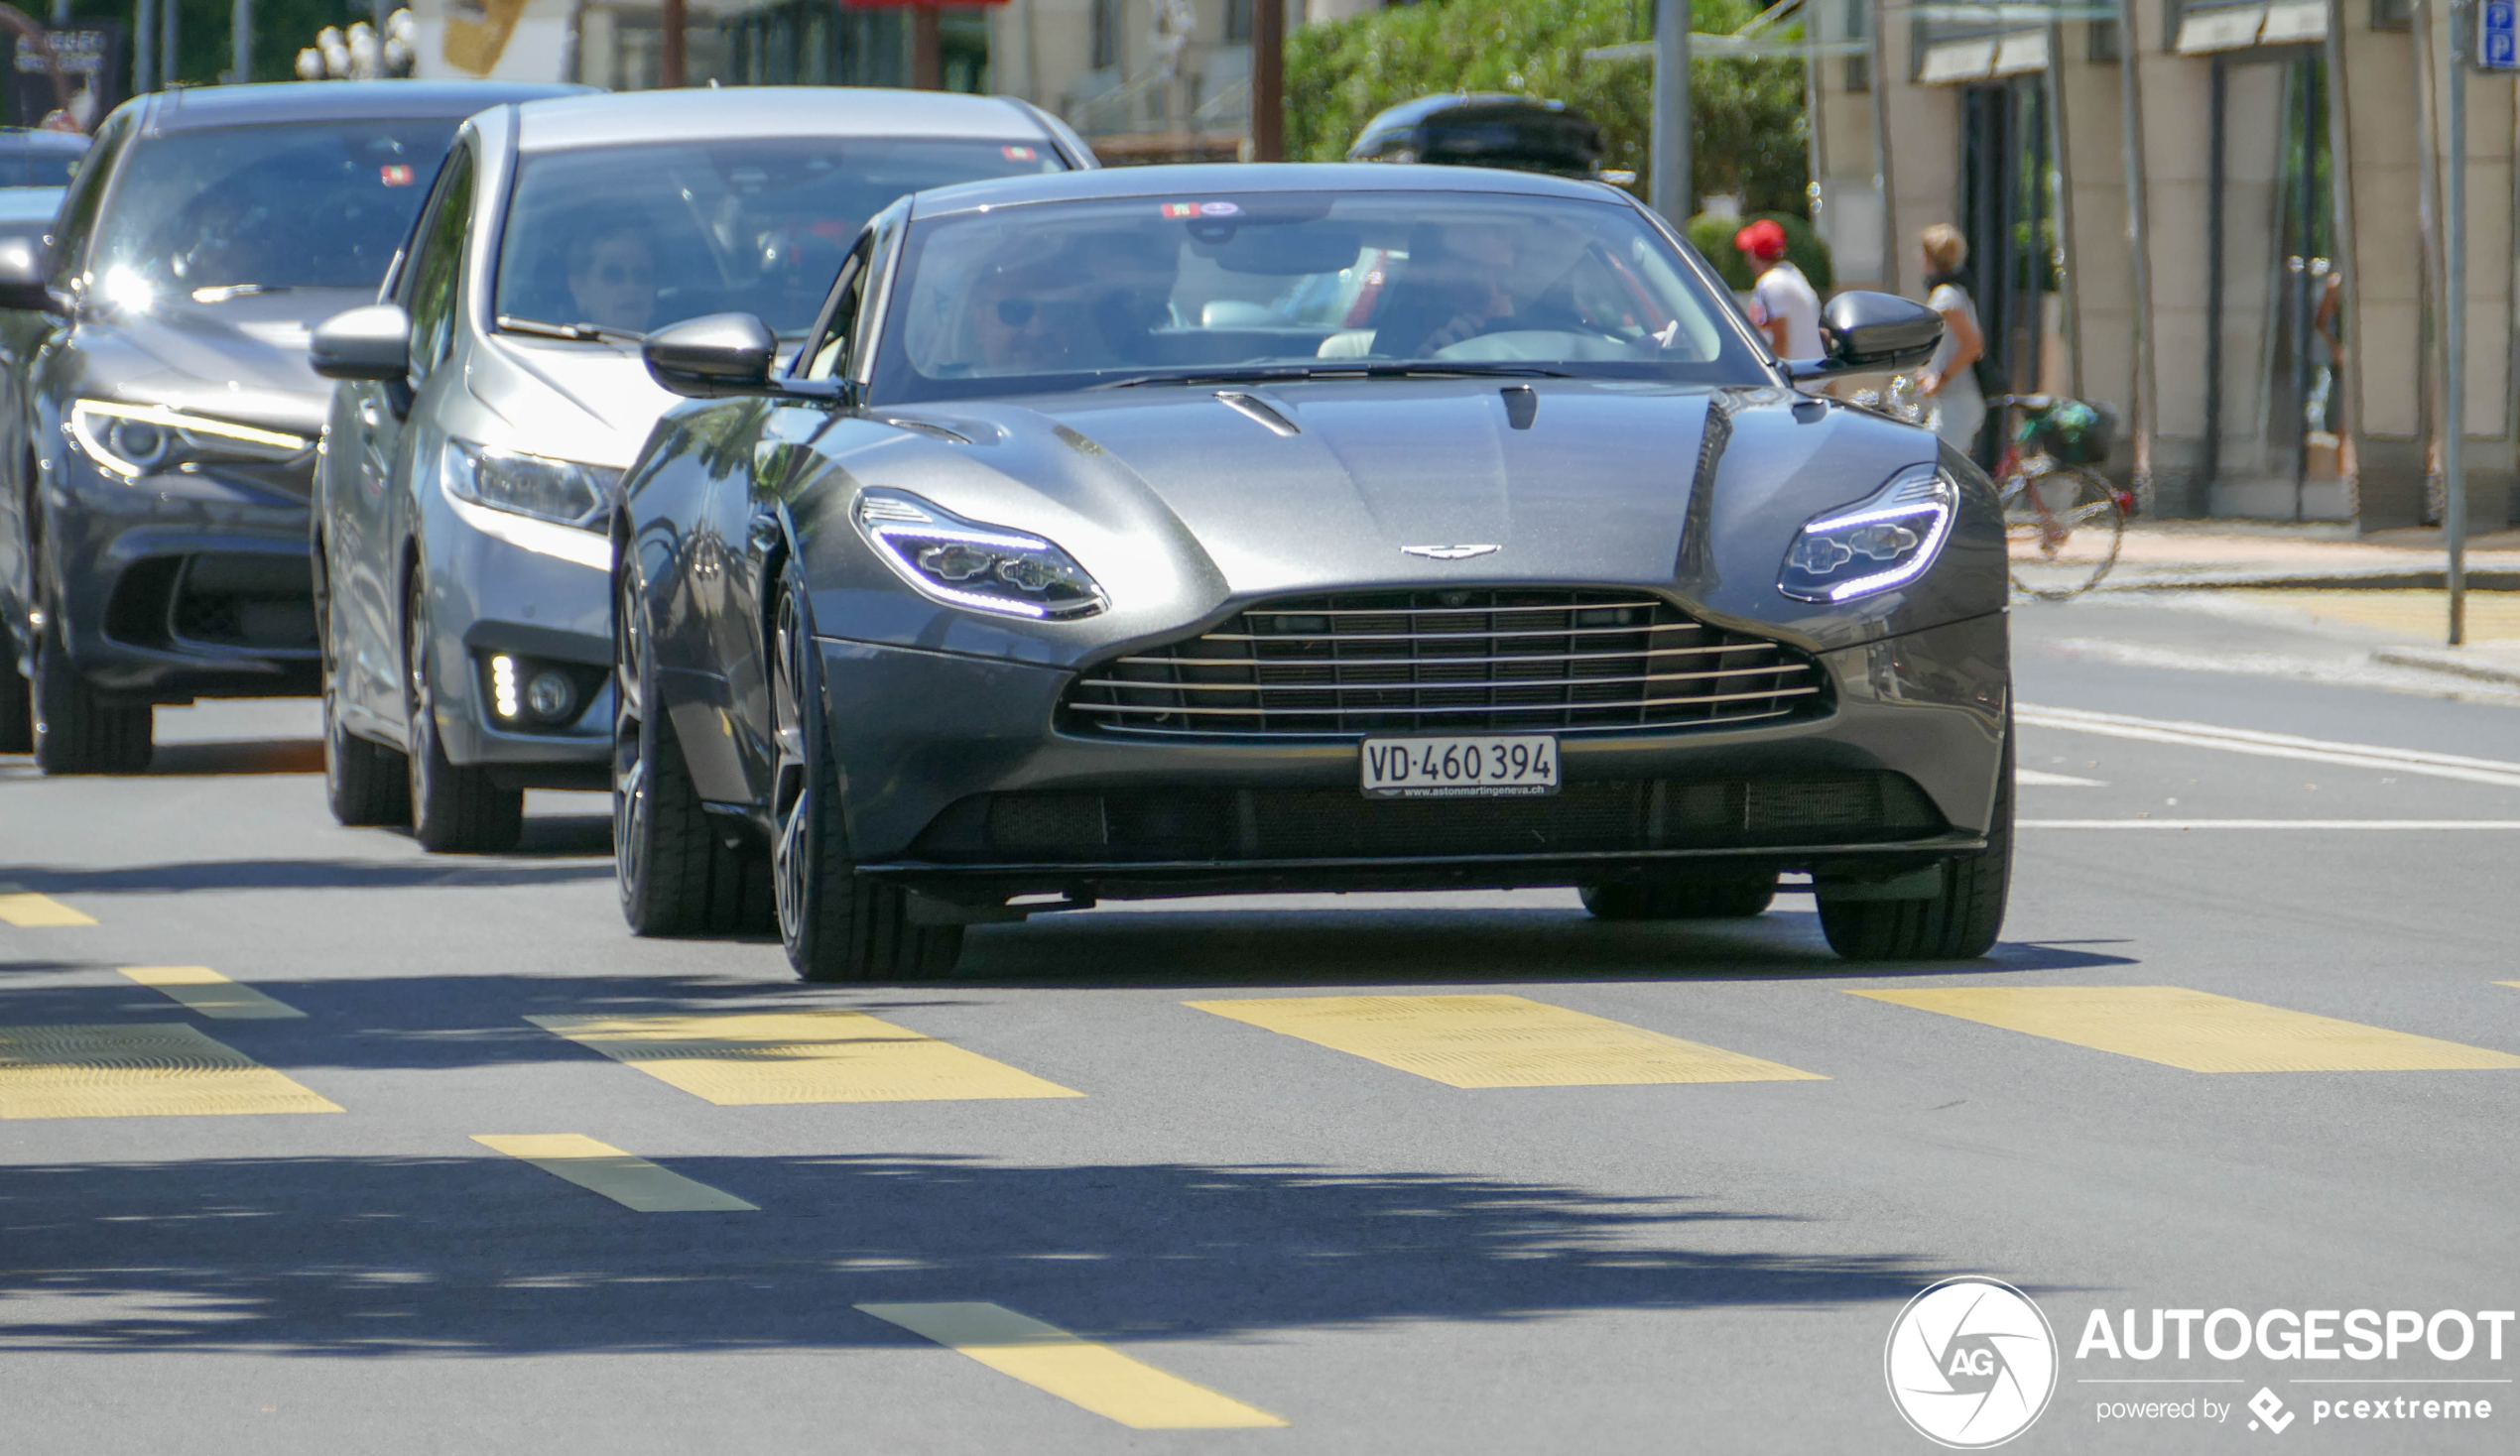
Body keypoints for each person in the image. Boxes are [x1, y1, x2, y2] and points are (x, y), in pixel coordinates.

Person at [1911, 223, 1987, 458]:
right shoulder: (1955, 291)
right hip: (1954, 401)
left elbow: (1973, 345)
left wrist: (1941, 378)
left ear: (1930, 257)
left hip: (1957, 401)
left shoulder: (1945, 296)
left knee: (1928, 465)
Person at [1734, 217, 1822, 361]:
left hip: (1795, 381)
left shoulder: (1772, 285)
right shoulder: (1792, 274)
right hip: (1811, 377)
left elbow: (1781, 343)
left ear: (1752, 255)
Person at [565, 228, 658, 333]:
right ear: (579, 288)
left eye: (641, 276)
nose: (630, 287)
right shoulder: (548, 348)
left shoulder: (678, 345)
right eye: (613, 275)